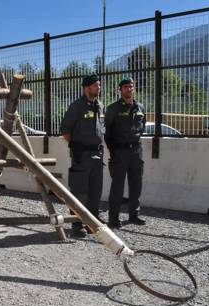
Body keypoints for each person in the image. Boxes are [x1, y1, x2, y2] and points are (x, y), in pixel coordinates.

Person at [60, 74, 105, 237]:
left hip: (97, 154)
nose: (98, 88)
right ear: (87, 88)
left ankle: (92, 222)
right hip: (82, 155)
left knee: (95, 190)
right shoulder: (77, 106)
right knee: (79, 191)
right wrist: (77, 147)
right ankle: (77, 224)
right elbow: (65, 131)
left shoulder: (99, 106)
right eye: (95, 85)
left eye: (99, 85)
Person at [104, 77, 146, 228]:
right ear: (120, 90)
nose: (129, 89)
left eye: (131, 86)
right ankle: (113, 218)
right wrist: (114, 151)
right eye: (126, 87)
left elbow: (142, 128)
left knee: (136, 184)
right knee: (118, 186)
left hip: (136, 151)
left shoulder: (140, 107)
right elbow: (107, 133)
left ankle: (134, 215)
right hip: (120, 152)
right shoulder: (113, 108)